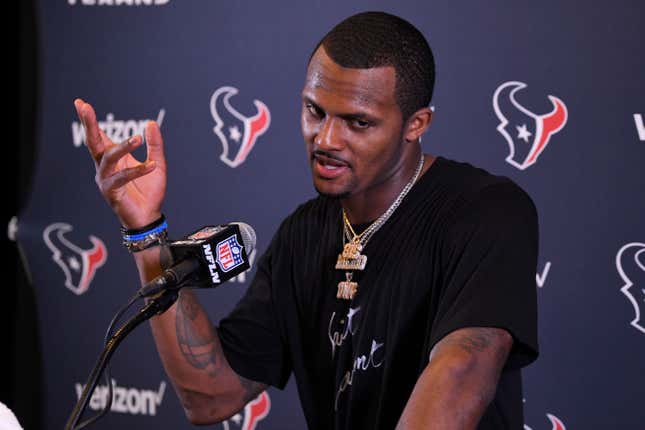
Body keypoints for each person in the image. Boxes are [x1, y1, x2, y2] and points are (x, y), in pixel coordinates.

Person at [74, 11, 538, 430]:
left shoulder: (486, 211)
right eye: (315, 111)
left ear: (416, 124)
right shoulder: (304, 232)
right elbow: (209, 396)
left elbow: (461, 370)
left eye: (358, 122)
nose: (326, 139)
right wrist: (146, 231)